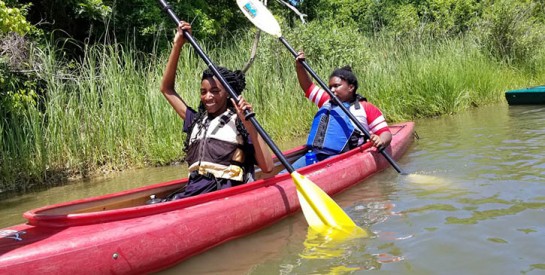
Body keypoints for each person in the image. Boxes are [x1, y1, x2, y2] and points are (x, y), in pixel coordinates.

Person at [160, 21, 274, 198]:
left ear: (228, 94)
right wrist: (178, 45)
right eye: (203, 92)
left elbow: (267, 167)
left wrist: (249, 124)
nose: (208, 97)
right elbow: (167, 89)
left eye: (215, 91)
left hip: (221, 195)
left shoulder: (240, 122)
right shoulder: (195, 120)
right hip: (192, 194)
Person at [290, 51, 392, 170]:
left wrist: (381, 140)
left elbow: (386, 133)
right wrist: (299, 66)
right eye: (330, 87)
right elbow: (308, 87)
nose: (332, 90)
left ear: (350, 87)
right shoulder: (326, 101)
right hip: (315, 154)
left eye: (336, 86)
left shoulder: (366, 108)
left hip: (341, 159)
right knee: (284, 174)